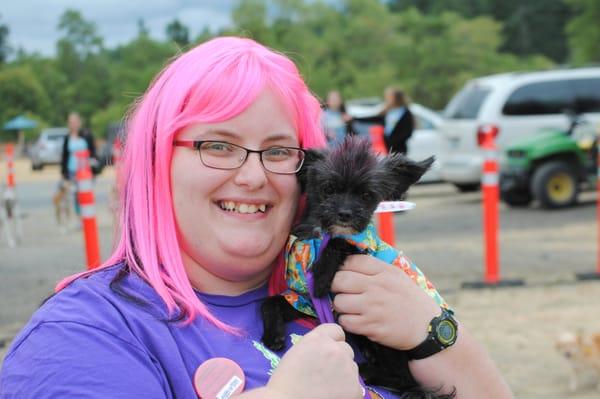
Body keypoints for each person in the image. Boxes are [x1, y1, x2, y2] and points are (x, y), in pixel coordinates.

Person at [0, 37, 513, 398]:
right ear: (156, 162)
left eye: (278, 150)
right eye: (217, 145)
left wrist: (436, 334)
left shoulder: (343, 286)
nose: (252, 177)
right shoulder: (88, 333)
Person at [60, 112, 99, 218]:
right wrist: (64, 173)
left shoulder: (86, 135)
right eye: (71, 122)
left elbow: (93, 152)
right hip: (72, 170)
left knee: (86, 193)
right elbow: (64, 156)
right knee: (76, 195)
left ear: (79, 122)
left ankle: (89, 215)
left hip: (86, 170)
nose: (73, 124)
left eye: (75, 122)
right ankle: (80, 217)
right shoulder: (67, 138)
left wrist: (94, 168)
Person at [382, 86, 414, 154]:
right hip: (387, 148)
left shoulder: (405, 113)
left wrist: (394, 141)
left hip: (399, 148)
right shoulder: (387, 111)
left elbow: (408, 132)